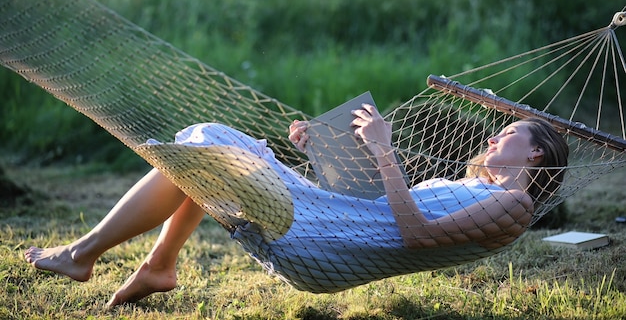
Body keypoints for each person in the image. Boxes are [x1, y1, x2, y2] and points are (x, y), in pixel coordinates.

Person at [24, 103, 569, 307]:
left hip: (323, 246)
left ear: (538, 151)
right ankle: (159, 267)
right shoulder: (473, 187)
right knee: (211, 152)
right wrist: (326, 152)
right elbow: (376, 210)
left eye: (508, 134)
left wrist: (384, 151)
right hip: (329, 228)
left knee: (208, 138)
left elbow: (415, 235)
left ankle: (85, 253)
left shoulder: (513, 204)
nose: (494, 139)